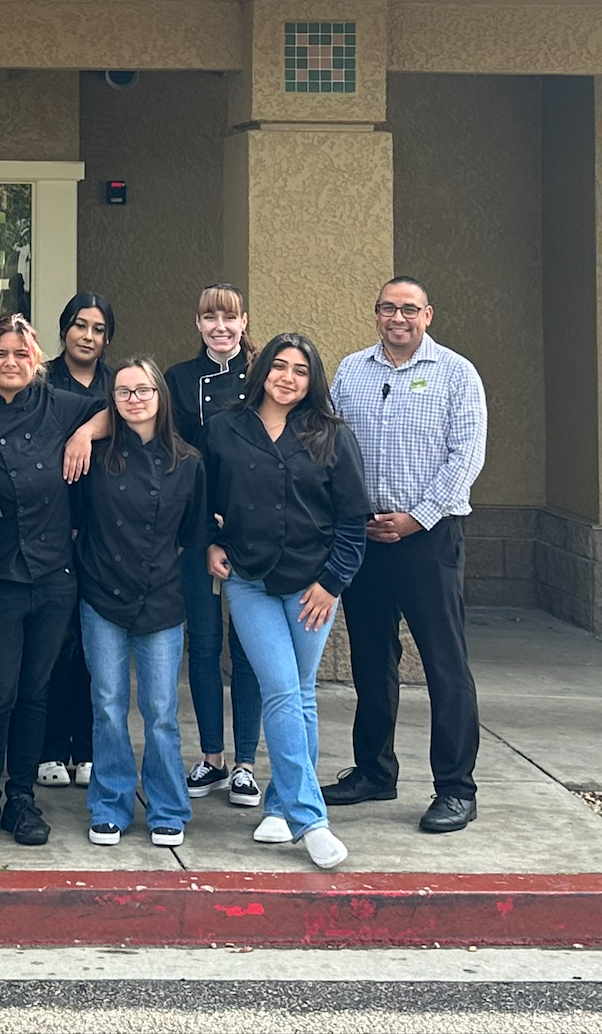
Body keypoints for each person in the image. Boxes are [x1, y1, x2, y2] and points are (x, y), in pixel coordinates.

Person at [323, 277, 489, 836]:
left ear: (428, 314)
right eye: (388, 308)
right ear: (376, 315)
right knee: (371, 662)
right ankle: (373, 771)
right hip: (365, 538)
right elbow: (333, 447)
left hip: (430, 538)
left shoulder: (457, 373)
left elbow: (465, 457)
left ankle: (456, 789)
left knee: (445, 665)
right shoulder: (352, 371)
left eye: (409, 309)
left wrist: (418, 517)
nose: (398, 318)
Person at [204, 333, 372, 872]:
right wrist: (210, 541)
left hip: (312, 586)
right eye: (279, 367)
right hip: (249, 579)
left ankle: (278, 806)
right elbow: (205, 498)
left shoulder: (331, 436)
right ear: (262, 372)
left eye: (301, 371)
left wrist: (333, 583)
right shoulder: (225, 428)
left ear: (311, 380)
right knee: (280, 687)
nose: (288, 378)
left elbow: (351, 520)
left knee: (300, 695)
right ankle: (311, 820)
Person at [0, 313, 106, 846]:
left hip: (55, 572)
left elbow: (119, 407)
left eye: (20, 354)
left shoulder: (59, 403)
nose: (10, 363)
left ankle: (22, 798)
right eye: (0, 354)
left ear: (36, 361)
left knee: (36, 692)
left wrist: (83, 433)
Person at [76, 358, 205, 848]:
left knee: (161, 710)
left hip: (162, 600)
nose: (133, 399)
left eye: (143, 390)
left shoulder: (189, 462)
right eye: (123, 392)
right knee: (108, 705)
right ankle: (110, 804)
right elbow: (78, 523)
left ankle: (168, 807)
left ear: (159, 396)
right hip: (101, 595)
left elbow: (192, 536)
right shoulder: (95, 456)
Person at [165, 283, 263, 809]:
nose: (220, 327)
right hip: (197, 530)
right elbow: (178, 454)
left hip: (253, 531)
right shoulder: (178, 379)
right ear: (198, 324)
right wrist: (201, 533)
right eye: (209, 319)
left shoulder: (263, 375)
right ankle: (212, 756)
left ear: (244, 322)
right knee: (202, 646)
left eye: (229, 318)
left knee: (246, 649)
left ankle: (246, 762)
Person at [38, 292, 115, 789]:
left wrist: (86, 431)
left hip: (106, 531)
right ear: (64, 328)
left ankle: (85, 748)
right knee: (53, 644)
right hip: (54, 527)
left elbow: (139, 418)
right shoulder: (42, 377)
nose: (88, 336)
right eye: (80, 325)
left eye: (99, 329)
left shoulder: (119, 384)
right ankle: (48, 746)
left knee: (94, 646)